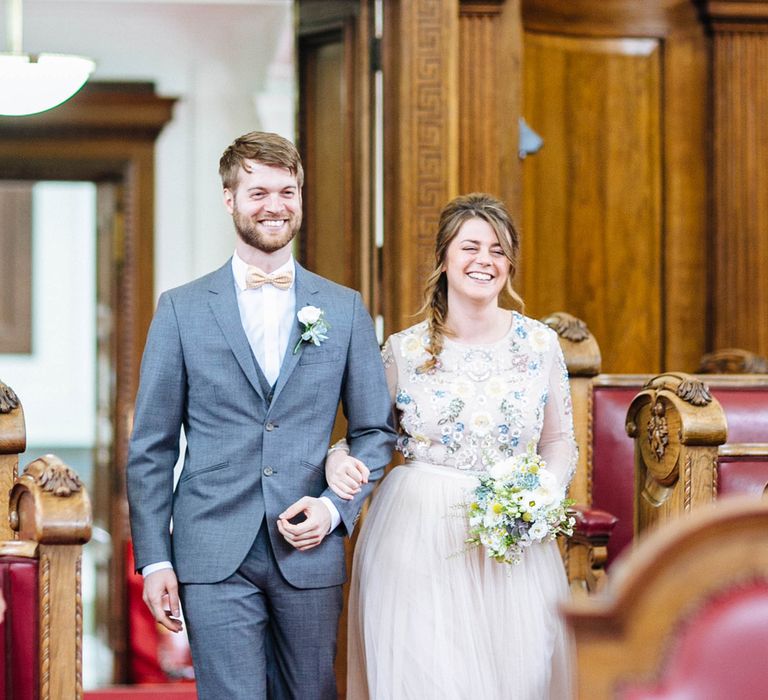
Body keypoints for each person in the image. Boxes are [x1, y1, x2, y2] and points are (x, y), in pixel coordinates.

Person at [126, 131, 395, 700]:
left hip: (309, 546)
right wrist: (154, 562)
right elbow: (152, 448)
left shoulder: (344, 308)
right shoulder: (181, 309)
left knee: (311, 693)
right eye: (258, 193)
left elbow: (375, 432)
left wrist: (334, 507)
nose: (275, 206)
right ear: (230, 199)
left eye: (287, 191)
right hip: (211, 548)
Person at [327, 192, 576, 699]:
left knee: (520, 678)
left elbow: (558, 441)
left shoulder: (539, 345)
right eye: (470, 247)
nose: (484, 260)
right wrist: (336, 458)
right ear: (444, 258)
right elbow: (367, 436)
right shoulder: (404, 349)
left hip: (513, 546)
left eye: (498, 250)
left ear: (510, 264)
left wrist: (539, 500)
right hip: (418, 538)